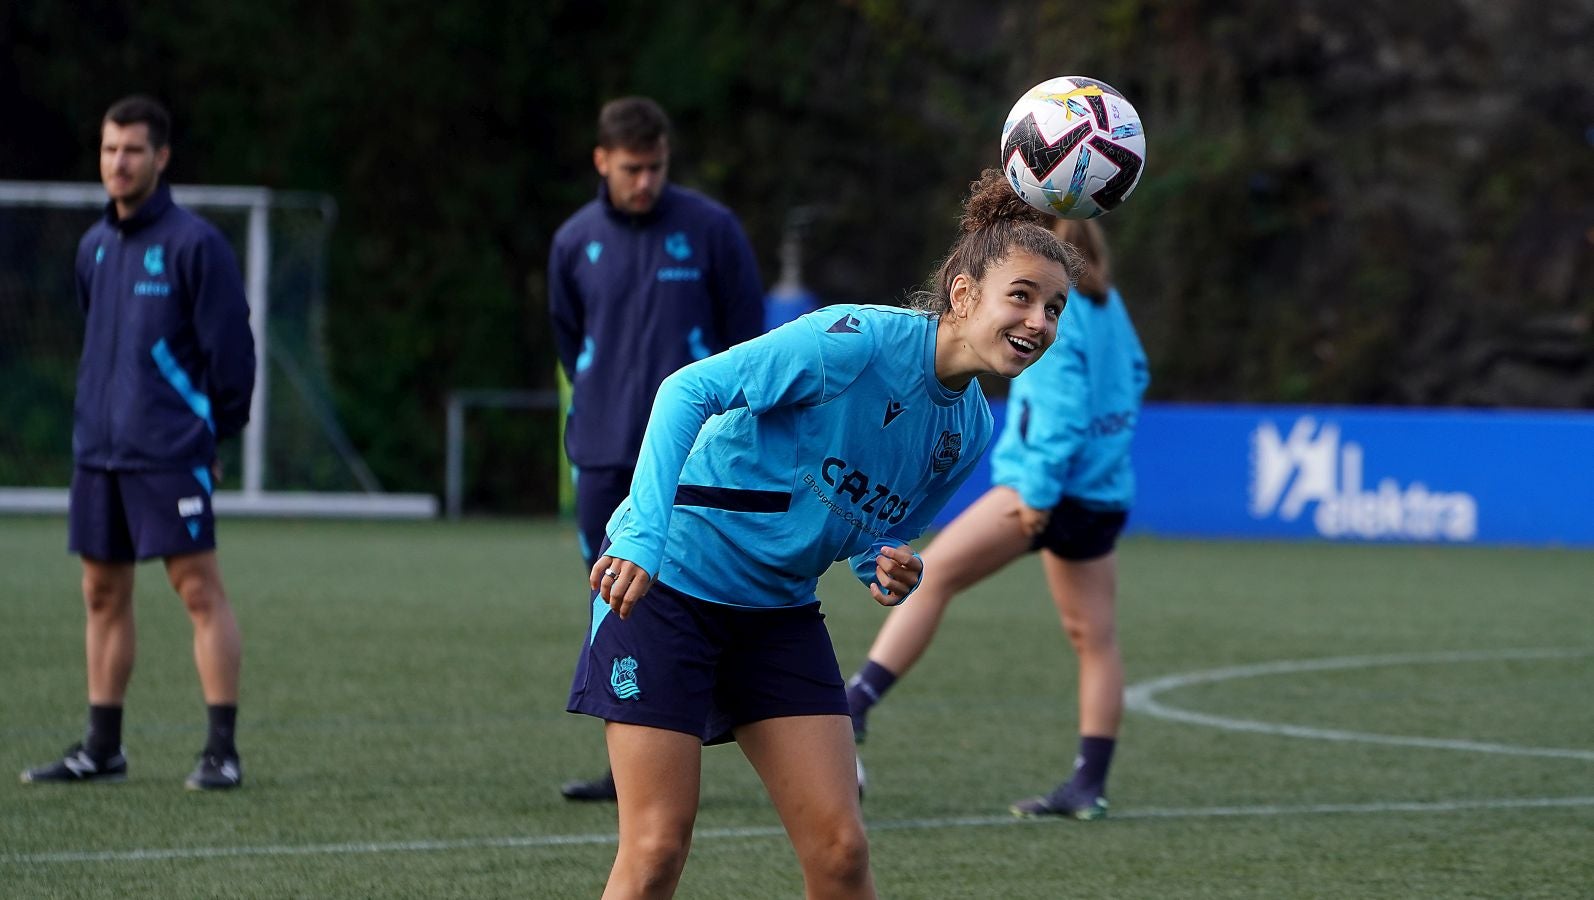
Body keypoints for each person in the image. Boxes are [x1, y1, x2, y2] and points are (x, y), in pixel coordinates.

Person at [568, 169, 1083, 898]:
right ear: (964, 294)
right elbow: (687, 389)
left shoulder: (968, 431)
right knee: (655, 851)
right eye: (1022, 297)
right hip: (666, 589)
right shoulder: (854, 342)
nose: (1039, 322)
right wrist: (643, 535)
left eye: (1054, 308)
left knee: (841, 852)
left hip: (777, 612)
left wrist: (884, 563)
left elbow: (874, 530)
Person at [843, 216, 1148, 821]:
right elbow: (1136, 375)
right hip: (1101, 493)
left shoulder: (1056, 309)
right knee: (1096, 639)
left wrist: (1039, 494)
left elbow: (1061, 409)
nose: (1039, 315)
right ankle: (1088, 786)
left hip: (1041, 490)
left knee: (933, 576)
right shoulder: (1107, 303)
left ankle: (856, 703)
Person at [20, 96, 256, 791]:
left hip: (171, 450)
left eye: (132, 150)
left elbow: (232, 353)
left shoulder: (195, 245)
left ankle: (221, 752)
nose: (118, 163)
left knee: (198, 591)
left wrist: (217, 431)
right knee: (101, 592)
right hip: (99, 452)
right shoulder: (92, 246)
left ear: (161, 158)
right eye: (109, 149)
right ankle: (103, 749)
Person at [549, 96, 765, 802]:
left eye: (656, 167)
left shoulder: (712, 230)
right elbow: (570, 339)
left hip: (698, 459)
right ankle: (631, 772)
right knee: (615, 600)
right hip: (604, 449)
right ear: (602, 161)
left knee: (713, 595)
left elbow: (750, 343)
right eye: (631, 169)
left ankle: (777, 737)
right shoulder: (573, 240)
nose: (645, 181)